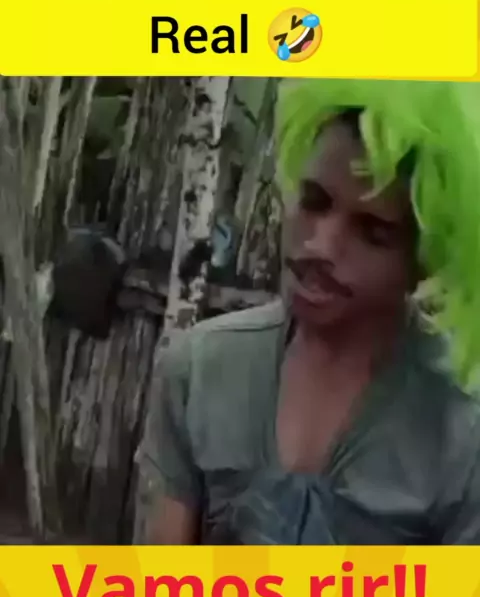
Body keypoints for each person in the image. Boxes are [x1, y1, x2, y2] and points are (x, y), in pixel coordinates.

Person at [135, 78, 480, 545]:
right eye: (314, 201)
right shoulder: (199, 371)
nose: (320, 245)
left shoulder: (461, 428)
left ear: (424, 261)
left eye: (372, 232)